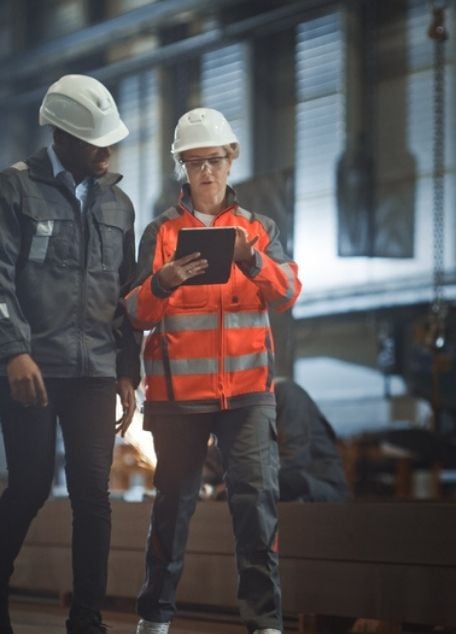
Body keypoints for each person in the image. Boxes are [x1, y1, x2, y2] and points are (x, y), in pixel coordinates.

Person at [0, 74, 140, 634]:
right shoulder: (13, 190)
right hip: (31, 370)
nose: (108, 149)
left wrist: (126, 370)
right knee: (31, 486)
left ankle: (87, 620)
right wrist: (15, 352)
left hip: (94, 368)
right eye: (97, 141)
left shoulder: (118, 204)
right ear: (63, 137)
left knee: (94, 495)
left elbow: (126, 294)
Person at [124, 107, 301, 634]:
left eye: (215, 160)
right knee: (172, 512)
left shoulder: (259, 230)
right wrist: (162, 282)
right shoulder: (160, 234)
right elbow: (133, 312)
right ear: (181, 165)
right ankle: (153, 620)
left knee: (256, 506)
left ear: (232, 160)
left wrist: (252, 262)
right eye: (195, 162)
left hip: (247, 393)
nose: (206, 172)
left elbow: (288, 292)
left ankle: (265, 624)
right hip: (180, 399)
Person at [203, 378, 349, 503]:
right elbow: (210, 467)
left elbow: (293, 463)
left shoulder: (286, 394)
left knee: (284, 482)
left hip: (319, 487)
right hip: (261, 491)